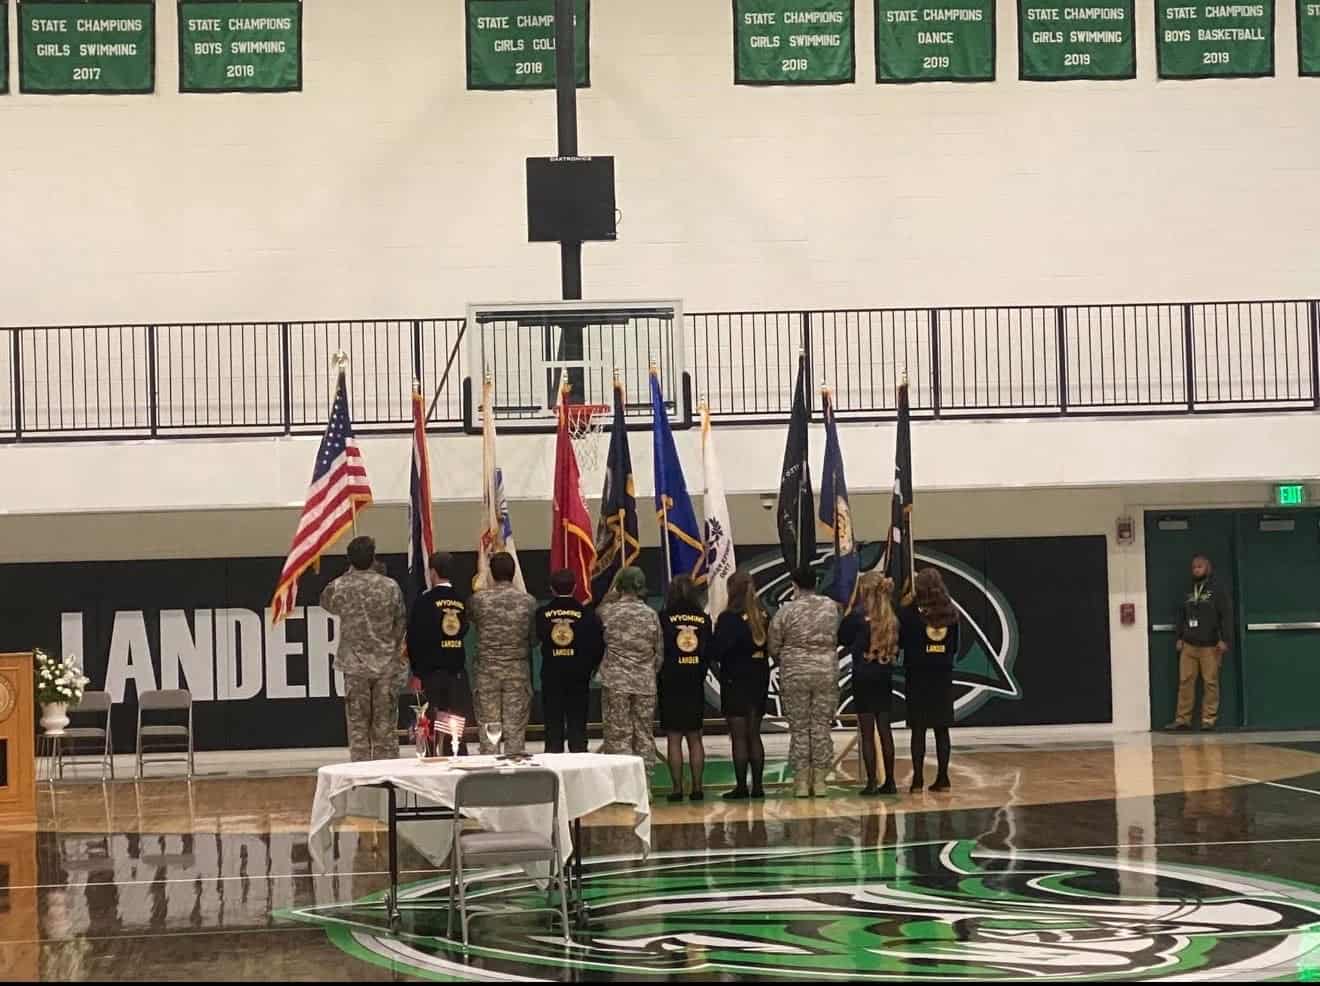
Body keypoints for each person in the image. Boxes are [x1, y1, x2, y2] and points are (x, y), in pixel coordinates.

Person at [320, 535, 407, 762]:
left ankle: (361, 777)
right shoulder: (390, 587)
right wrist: (390, 647)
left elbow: (326, 603)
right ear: (373, 559)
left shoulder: (340, 586)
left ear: (350, 559)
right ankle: (386, 778)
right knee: (385, 727)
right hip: (386, 665)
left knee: (358, 728)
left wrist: (350, 576)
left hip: (354, 666)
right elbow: (400, 622)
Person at [768, 567, 841, 798]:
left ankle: (800, 782)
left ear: (794, 585)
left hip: (795, 673)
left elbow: (773, 643)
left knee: (799, 728)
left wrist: (788, 657)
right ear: (816, 582)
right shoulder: (831, 607)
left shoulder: (786, 610)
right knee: (821, 726)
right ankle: (820, 781)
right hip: (825, 672)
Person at [469, 551, 537, 754]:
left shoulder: (478, 600)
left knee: (489, 732)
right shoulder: (528, 601)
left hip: (486, 672)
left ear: (491, 572)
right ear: (514, 572)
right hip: (517, 672)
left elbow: (472, 624)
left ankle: (488, 781)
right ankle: (514, 781)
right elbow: (533, 639)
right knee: (515, 732)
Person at [900, 568, 961, 793]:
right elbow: (954, 647)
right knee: (942, 729)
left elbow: (903, 643)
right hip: (943, 676)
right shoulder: (952, 613)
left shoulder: (909, 613)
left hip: (917, 676)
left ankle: (917, 780)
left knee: (919, 729)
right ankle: (943, 778)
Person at [839, 572, 899, 796]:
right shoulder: (891, 617)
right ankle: (890, 781)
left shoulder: (857, 616)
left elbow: (842, 637)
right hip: (884, 675)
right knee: (885, 730)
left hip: (863, 676)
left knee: (867, 731)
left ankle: (872, 782)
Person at [406, 551, 472, 755]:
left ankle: (437, 756)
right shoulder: (461, 600)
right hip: (456, 670)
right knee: (455, 719)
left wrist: (416, 672)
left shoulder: (425, 601)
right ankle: (457, 755)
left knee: (435, 717)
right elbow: (464, 629)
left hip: (432, 672)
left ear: (432, 572)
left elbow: (415, 638)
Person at [712, 571, 771, 800]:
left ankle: (741, 786)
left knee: (738, 736)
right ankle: (758, 787)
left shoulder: (729, 618)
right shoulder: (763, 615)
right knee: (754, 734)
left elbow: (718, 651)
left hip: (735, 679)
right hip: (758, 678)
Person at [597, 567, 663, 768]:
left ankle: (621, 785)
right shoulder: (651, 614)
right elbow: (658, 653)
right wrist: (647, 673)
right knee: (644, 733)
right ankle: (645, 785)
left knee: (617, 734)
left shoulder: (607, 612)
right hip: (644, 682)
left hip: (615, 683)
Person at [535, 568, 604, 753]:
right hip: (579, 677)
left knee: (553, 729)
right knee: (578, 728)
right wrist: (589, 668)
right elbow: (598, 645)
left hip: (552, 676)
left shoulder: (542, 614)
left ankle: (554, 775)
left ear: (551, 588)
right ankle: (579, 774)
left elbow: (536, 638)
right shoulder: (587, 614)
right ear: (575, 587)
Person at [658, 575, 712, 802]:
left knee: (673, 738)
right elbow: (708, 652)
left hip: (670, 681)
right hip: (694, 681)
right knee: (695, 738)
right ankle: (698, 788)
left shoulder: (662, 618)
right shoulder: (704, 619)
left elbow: (658, 649)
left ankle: (677, 789)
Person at [1169, 553, 1233, 731]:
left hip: (1210, 645)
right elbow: (1180, 615)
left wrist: (1225, 639)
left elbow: (1225, 616)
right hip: (1189, 644)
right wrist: (1179, 637)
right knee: (1185, 681)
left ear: (1207, 568)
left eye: (1200, 566)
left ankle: (1208, 719)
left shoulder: (1217, 589)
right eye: (1194, 567)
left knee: (1210, 682)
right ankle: (1183, 719)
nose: (1196, 569)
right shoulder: (1187, 589)